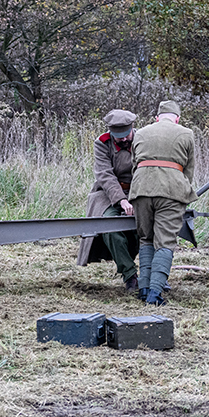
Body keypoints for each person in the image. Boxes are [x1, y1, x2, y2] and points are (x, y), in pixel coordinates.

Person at [129, 100, 198, 306]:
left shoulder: (140, 132)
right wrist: (182, 188)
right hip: (171, 191)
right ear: (177, 118)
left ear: (157, 118)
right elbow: (189, 168)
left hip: (141, 188)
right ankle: (155, 293)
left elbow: (135, 164)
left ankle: (143, 289)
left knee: (145, 238)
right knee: (165, 241)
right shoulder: (186, 133)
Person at [77, 109, 140, 291]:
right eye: (117, 136)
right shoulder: (102, 143)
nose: (122, 139)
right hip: (108, 193)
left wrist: (135, 199)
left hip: (138, 191)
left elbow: (145, 172)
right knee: (109, 226)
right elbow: (105, 175)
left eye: (125, 135)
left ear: (132, 128)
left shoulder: (142, 141)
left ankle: (146, 271)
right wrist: (121, 200)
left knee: (139, 228)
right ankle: (130, 275)